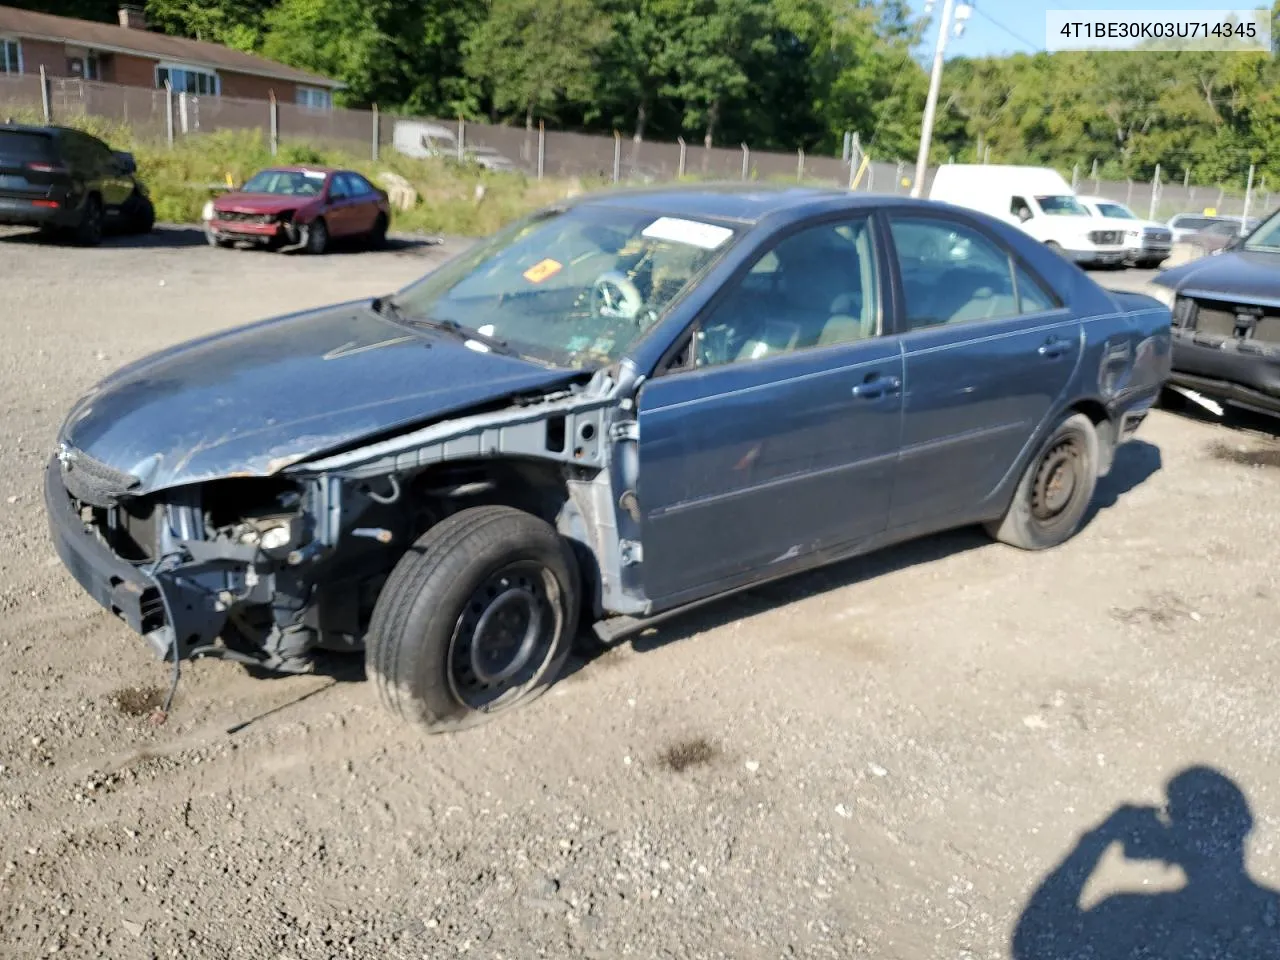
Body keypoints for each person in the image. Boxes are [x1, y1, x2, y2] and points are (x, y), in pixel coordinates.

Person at [1013, 766, 1280, 959]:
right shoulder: (1273, 914)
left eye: (1172, 814)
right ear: (1244, 826)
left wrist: (1098, 839)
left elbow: (1031, 945)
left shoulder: (1128, 914)